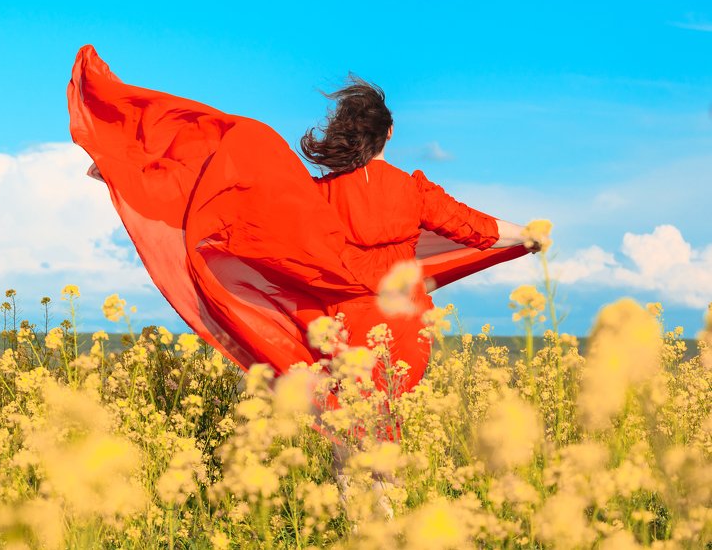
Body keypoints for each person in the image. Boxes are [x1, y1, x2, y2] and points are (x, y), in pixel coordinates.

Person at [67, 44, 537, 426]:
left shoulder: (316, 196)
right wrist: (529, 235)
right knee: (381, 422)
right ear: (389, 134)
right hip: (404, 323)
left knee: (350, 428)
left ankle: (364, 519)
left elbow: (231, 199)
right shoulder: (415, 190)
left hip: (340, 323)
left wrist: (122, 173)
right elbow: (476, 228)